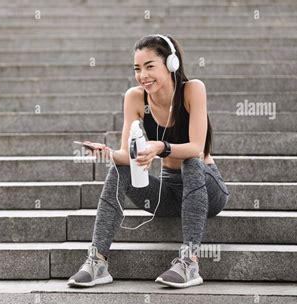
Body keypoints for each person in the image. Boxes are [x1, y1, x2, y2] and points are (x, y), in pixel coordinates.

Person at [68, 34, 230, 288]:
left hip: (207, 190)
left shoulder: (192, 90)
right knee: (119, 169)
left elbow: (197, 148)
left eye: (149, 66)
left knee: (191, 162)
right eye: (137, 69)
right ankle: (97, 261)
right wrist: (108, 153)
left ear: (171, 64)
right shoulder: (135, 98)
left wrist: (161, 147)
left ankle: (189, 263)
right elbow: (126, 155)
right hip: (168, 195)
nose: (143, 75)